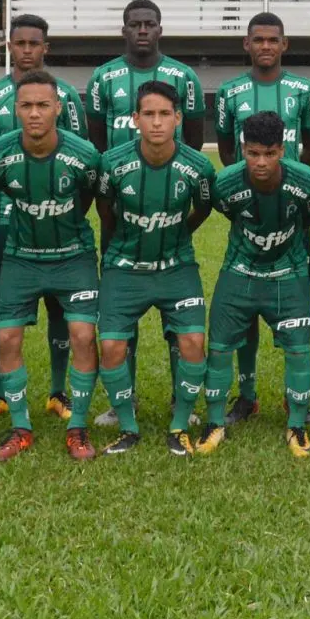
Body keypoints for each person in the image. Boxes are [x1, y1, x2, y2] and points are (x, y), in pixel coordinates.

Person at [85, 0, 205, 425]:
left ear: (160, 28)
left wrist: (181, 214)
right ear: (123, 29)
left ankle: (181, 399)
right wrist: (111, 217)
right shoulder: (103, 78)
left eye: (148, 24)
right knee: (120, 309)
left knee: (181, 318)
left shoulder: (183, 77)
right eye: (134, 24)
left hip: (170, 205)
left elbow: (191, 143)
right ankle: (124, 402)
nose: (141, 30)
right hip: (120, 208)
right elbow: (98, 145)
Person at [0, 69, 104, 462]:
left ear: (59, 108)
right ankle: (20, 427)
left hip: (74, 256)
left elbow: (90, 196)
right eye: (26, 106)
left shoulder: (84, 155)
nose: (35, 113)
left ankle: (78, 427)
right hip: (22, 258)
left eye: (43, 105)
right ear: (15, 109)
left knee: (83, 335)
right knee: (6, 339)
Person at [0, 14, 86, 429]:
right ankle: (1, 393)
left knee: (61, 308)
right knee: (8, 313)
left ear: (45, 48)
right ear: (9, 47)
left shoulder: (66, 95)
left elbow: (81, 156)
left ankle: (58, 390)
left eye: (33, 43)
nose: (25, 50)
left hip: (58, 219)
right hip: (6, 219)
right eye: (18, 43)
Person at [93, 80, 216, 456]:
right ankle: (127, 424)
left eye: (165, 114)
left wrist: (176, 233)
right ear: (135, 119)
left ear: (178, 118)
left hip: (176, 267)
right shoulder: (112, 163)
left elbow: (204, 207)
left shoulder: (198, 167)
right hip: (125, 267)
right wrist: (122, 247)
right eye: (149, 114)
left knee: (193, 340)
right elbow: (104, 209)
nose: (157, 122)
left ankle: (180, 421)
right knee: (112, 344)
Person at [198, 111, 310, 456]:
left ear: (283, 150)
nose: (261, 162)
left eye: (269, 153)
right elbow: (226, 210)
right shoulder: (225, 184)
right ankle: (214, 423)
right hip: (239, 271)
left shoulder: (307, 182)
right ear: (243, 150)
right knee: (220, 348)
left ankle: (296, 425)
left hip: (289, 273)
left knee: (298, 350)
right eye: (253, 153)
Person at [214, 11, 310, 426]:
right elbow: (225, 149)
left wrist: (288, 184)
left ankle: (296, 399)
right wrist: (248, 188)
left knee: (292, 293)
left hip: (290, 208)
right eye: (257, 39)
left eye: (272, 39)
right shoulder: (229, 91)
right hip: (248, 207)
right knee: (245, 299)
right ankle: (248, 392)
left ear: (284, 44)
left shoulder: (302, 90)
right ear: (246, 44)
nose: (265, 46)